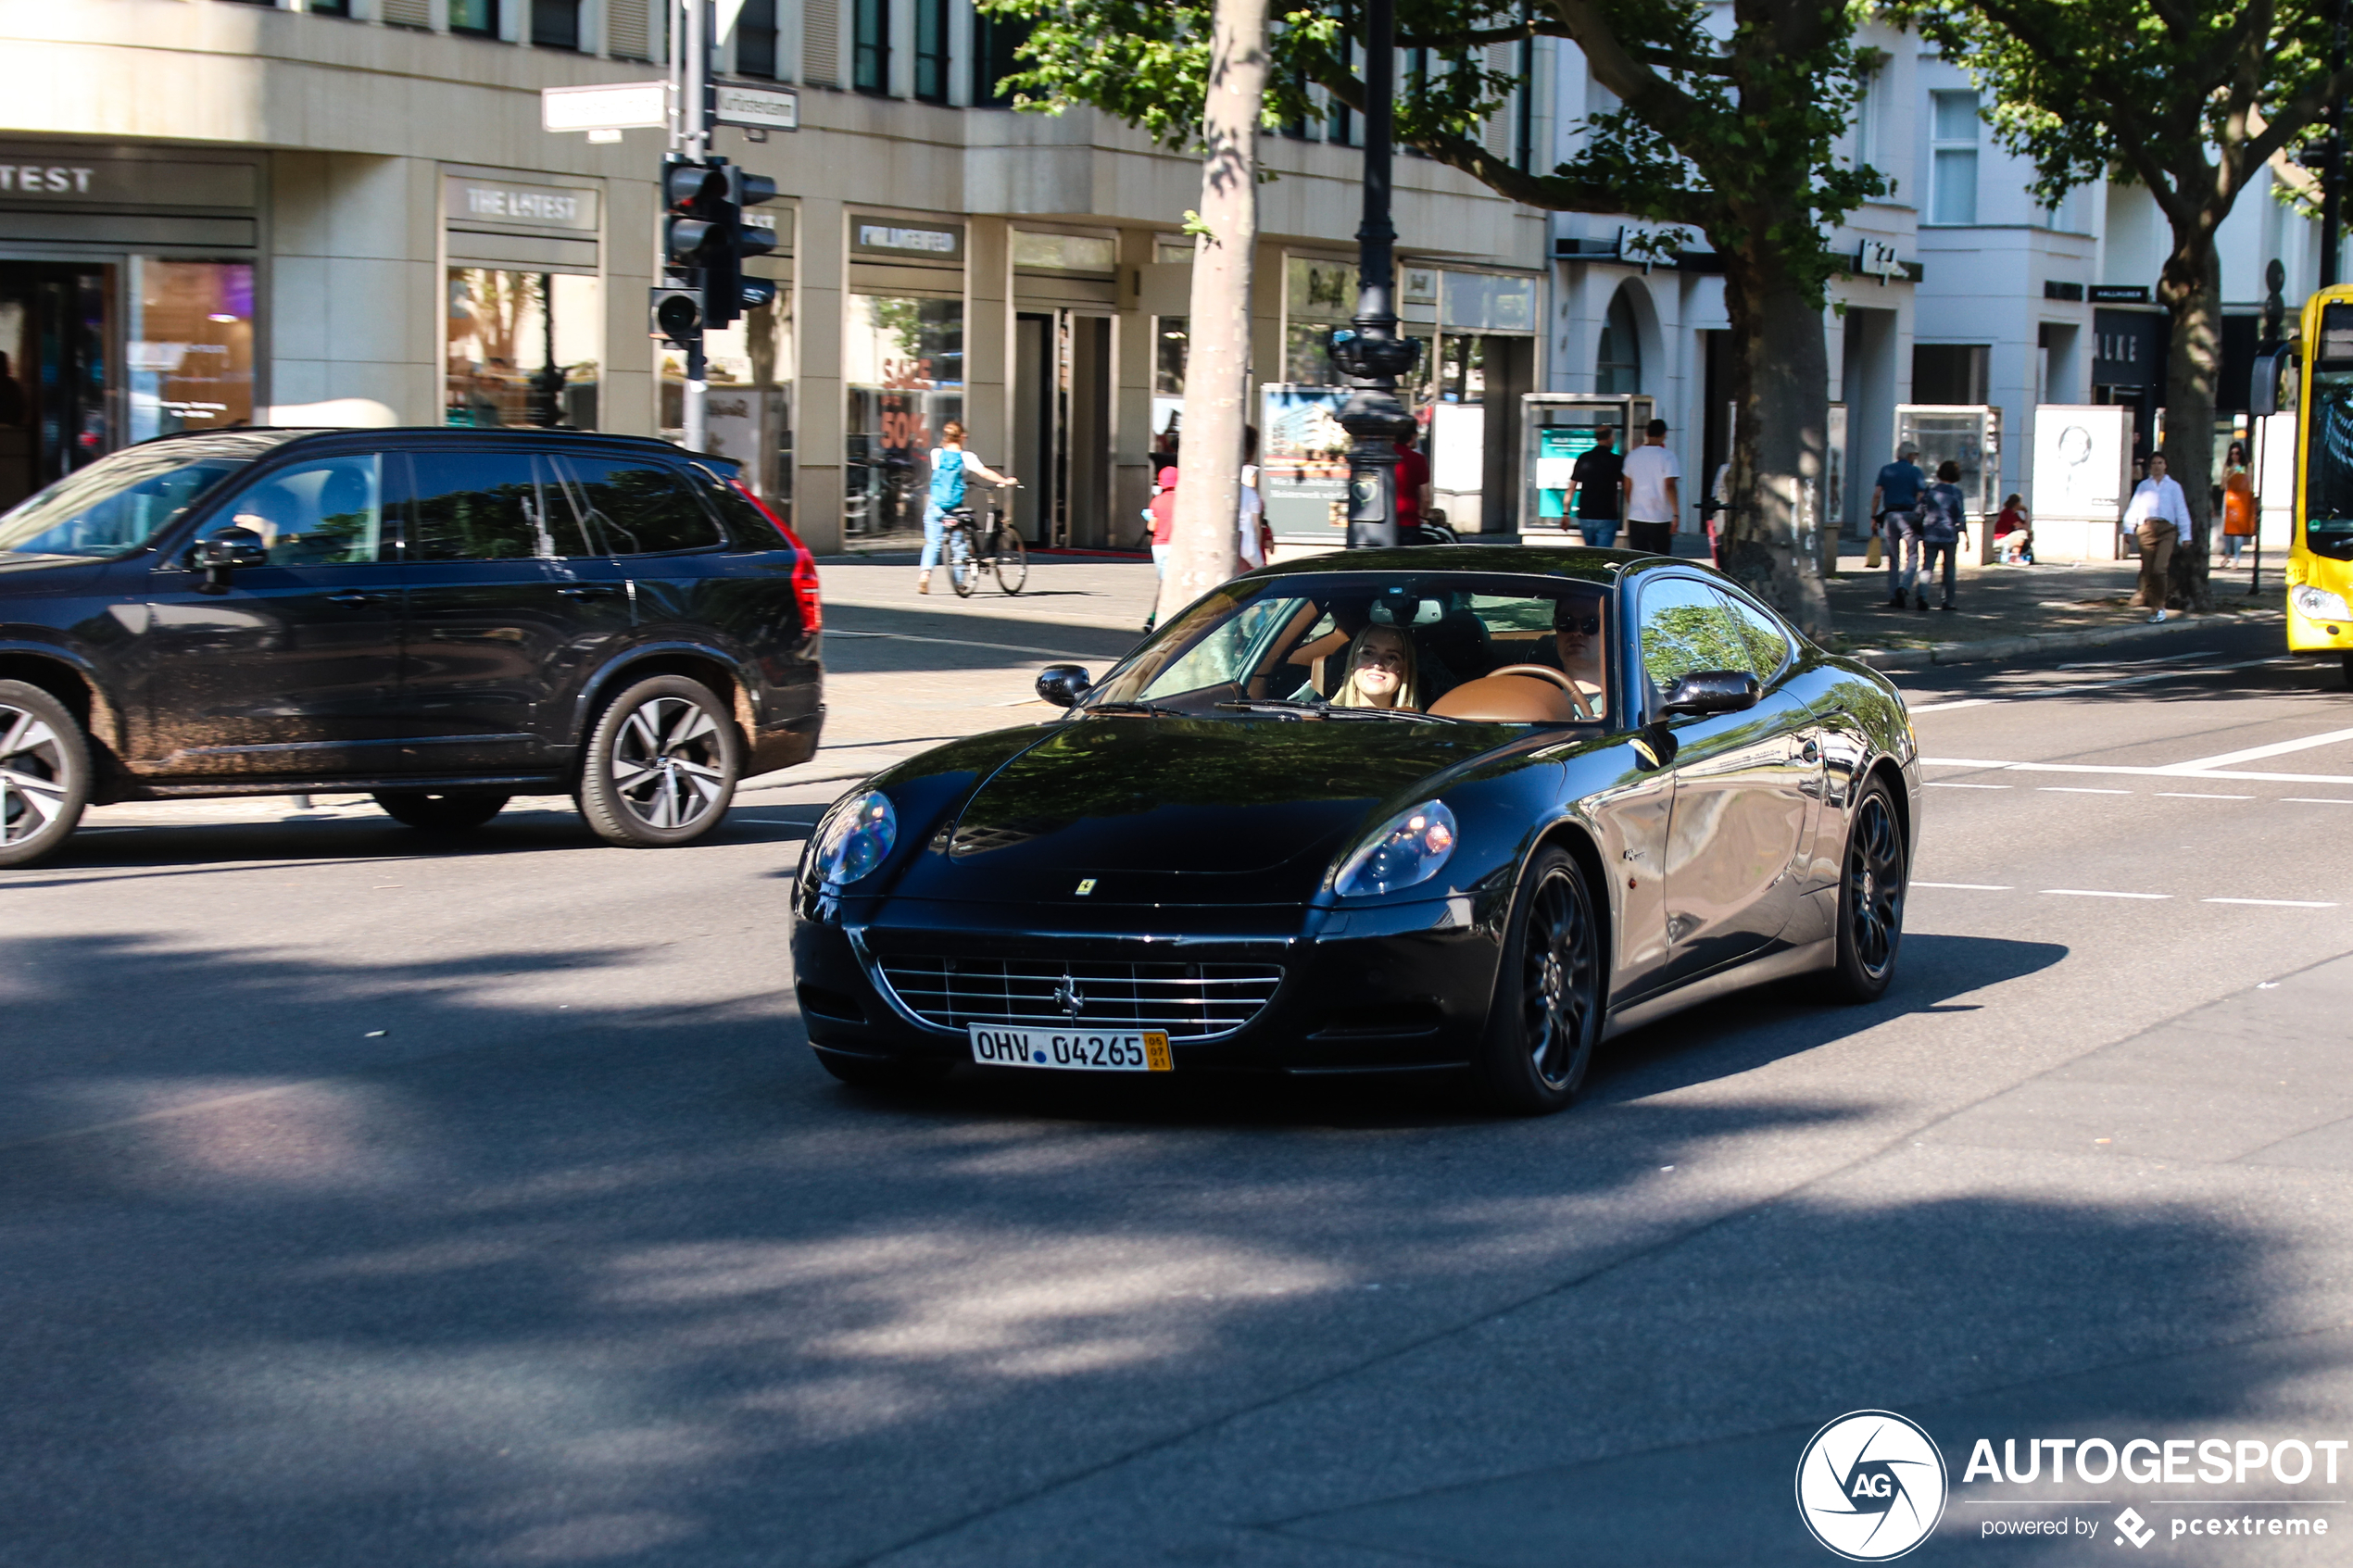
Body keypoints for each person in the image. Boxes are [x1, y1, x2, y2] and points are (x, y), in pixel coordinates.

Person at [917, 420, 1014, 595]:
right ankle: (960, 583)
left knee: (933, 543)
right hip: (954, 507)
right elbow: (984, 472)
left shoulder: (936, 453)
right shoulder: (966, 457)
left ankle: (924, 577)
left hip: (936, 505)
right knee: (958, 544)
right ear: (963, 436)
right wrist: (1005, 480)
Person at [2125, 450, 2191, 621]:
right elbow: (2134, 507)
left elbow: (2181, 511)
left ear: (2165, 465)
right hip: (2146, 528)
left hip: (2167, 530)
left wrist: (2186, 535)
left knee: (2159, 568)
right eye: (2154, 463)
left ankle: (2159, 607)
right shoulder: (2144, 486)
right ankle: (2153, 608)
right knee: (2148, 572)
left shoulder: (2174, 487)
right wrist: (2128, 528)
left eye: (2160, 463)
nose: (2157, 467)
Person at [1532, 597, 1609, 719]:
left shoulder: (1630, 701)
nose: (1576, 632)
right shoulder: (1533, 701)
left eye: (1591, 623)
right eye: (1566, 622)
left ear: (1611, 632)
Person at [1873, 442, 1927, 608]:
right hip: (1909, 515)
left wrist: (1873, 517)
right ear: (1910, 455)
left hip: (1890, 515)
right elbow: (1920, 495)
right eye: (1915, 455)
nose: (1915, 458)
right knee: (1912, 556)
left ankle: (1892, 595)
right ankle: (1904, 587)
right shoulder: (1916, 472)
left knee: (1893, 557)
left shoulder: (1886, 470)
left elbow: (1877, 495)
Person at [1621, 419, 1681, 555]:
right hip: (1661, 517)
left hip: (1637, 516)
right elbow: (1670, 486)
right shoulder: (1668, 456)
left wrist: (1633, 503)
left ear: (1646, 433)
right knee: (1661, 558)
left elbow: (1627, 486)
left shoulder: (1632, 456)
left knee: (1638, 559)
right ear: (1664, 434)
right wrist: (1676, 514)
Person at [1331, 622, 1421, 710]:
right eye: (1368, 653)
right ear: (1353, 661)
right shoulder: (1322, 718)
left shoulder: (1420, 724)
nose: (1377, 664)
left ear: (1406, 669)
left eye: (1391, 657)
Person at [1918, 459, 1969, 611]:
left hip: (1930, 532)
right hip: (1948, 534)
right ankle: (1948, 601)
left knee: (1927, 566)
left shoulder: (1930, 490)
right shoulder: (1956, 493)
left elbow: (1920, 509)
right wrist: (1964, 533)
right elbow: (1960, 515)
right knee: (1949, 569)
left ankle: (1922, 595)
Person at [1568, 426, 1624, 547]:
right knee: (1603, 554)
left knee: (1590, 553)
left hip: (1586, 515)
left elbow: (1571, 487)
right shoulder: (1616, 460)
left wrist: (1565, 513)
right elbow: (1627, 484)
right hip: (1607, 515)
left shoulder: (1584, 458)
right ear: (1610, 438)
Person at [2221, 440, 2256, 566]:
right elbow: (2222, 485)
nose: (2235, 456)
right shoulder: (2228, 466)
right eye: (2232, 454)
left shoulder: (2247, 466)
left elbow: (2250, 483)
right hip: (2230, 497)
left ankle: (2236, 558)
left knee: (2238, 530)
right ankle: (2227, 554)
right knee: (2228, 529)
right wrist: (2230, 475)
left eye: (2237, 453)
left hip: (2242, 499)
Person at [1394, 425, 1432, 540]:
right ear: (1412, 437)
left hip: (1383, 517)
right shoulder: (1418, 459)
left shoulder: (1384, 456)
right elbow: (1425, 496)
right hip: (1408, 518)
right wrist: (1423, 516)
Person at [1994, 493, 2032, 564]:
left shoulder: (2014, 514)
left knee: (2024, 533)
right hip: (1999, 540)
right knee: (2022, 533)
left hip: (2006, 540)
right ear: (2017, 503)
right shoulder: (2007, 513)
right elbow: (2021, 526)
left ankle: (2023, 554)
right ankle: (2014, 557)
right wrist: (2028, 531)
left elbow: (2026, 525)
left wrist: (2026, 513)